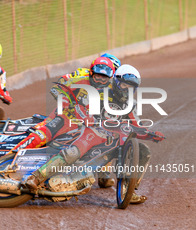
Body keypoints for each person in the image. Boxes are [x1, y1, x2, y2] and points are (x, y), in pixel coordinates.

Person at [12, 61, 165, 204]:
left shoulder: (130, 105)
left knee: (143, 150)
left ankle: (129, 190)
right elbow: (80, 107)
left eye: (131, 87)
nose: (127, 90)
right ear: (117, 82)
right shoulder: (99, 93)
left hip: (112, 140)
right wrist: (88, 118)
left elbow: (136, 126)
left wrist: (150, 134)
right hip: (92, 132)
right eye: (125, 85)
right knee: (72, 153)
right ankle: (35, 178)